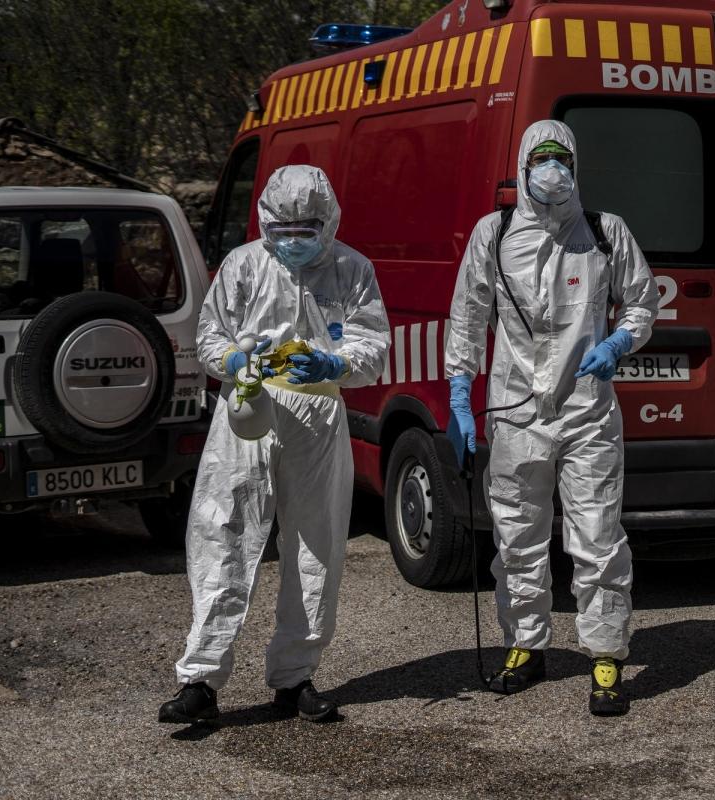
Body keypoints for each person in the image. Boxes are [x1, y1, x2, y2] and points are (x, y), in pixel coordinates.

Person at [159, 165, 390, 725]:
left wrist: (336, 362)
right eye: (283, 228)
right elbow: (209, 335)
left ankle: (295, 677)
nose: (294, 238)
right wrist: (235, 360)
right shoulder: (243, 265)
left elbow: (374, 345)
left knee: (316, 544)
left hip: (316, 415)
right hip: (249, 408)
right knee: (223, 534)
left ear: (328, 221)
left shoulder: (352, 269)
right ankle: (201, 680)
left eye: (306, 227)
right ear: (266, 222)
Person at [444, 120, 659, 716]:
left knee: (596, 537)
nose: (550, 168)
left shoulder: (604, 233)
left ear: (575, 164)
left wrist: (617, 343)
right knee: (516, 537)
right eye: (539, 157)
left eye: (560, 157)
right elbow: (466, 316)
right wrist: (460, 397)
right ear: (522, 164)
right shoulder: (494, 236)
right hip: (515, 413)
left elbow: (642, 302)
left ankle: (607, 654)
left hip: (587, 410)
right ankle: (525, 645)